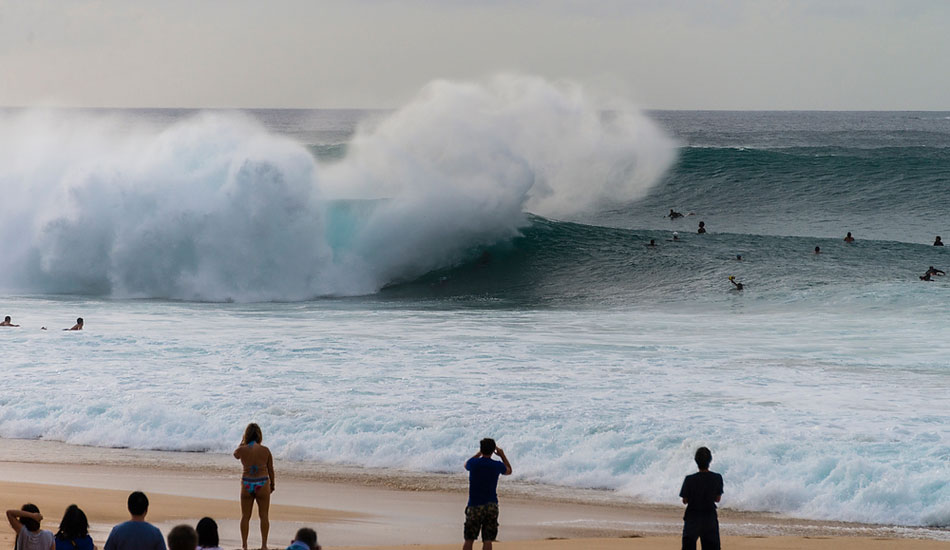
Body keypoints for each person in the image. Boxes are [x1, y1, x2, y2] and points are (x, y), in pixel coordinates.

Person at [463, 438, 512, 550]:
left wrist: (479, 453)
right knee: (488, 540)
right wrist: (502, 455)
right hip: (491, 505)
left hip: (475, 505)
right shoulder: (496, 465)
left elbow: (466, 464)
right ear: (492, 451)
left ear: (481, 449)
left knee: (469, 539)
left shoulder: (474, 463)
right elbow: (509, 470)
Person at [234, 423, 275, 550]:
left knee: (245, 516)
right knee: (264, 515)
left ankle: (244, 545)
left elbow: (235, 455)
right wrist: (272, 484)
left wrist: (242, 442)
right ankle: (264, 545)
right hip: (262, 482)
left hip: (247, 483)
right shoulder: (265, 450)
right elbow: (270, 469)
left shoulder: (242, 450)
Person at [679, 447, 723, 550]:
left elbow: (685, 501)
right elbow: (717, 499)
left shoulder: (689, 479)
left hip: (692, 517)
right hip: (709, 517)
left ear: (696, 461)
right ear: (710, 460)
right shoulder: (717, 478)